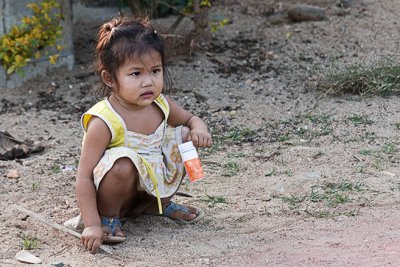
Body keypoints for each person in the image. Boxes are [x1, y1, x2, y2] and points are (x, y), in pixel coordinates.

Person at [64, 14, 212, 254]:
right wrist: (91, 224)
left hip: (149, 191)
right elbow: (83, 177)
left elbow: (190, 119)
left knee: (184, 135)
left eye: (155, 71)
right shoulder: (105, 120)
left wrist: (199, 129)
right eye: (136, 74)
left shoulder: (160, 103)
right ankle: (109, 220)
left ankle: (159, 204)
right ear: (110, 78)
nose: (148, 82)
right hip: (115, 198)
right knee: (123, 162)